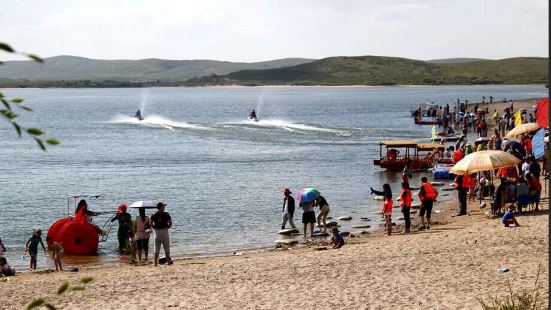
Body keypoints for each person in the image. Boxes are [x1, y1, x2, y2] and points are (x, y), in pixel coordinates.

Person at [151, 202, 173, 266]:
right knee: (166, 248)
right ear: (161, 207)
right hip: (164, 232)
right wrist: (167, 227)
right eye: (163, 206)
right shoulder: (166, 214)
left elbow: (151, 224)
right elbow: (170, 223)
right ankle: (168, 262)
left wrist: (155, 228)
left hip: (157, 232)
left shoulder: (153, 214)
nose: (164, 207)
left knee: (156, 248)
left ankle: (155, 263)